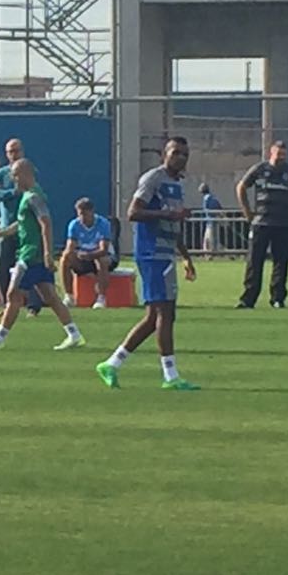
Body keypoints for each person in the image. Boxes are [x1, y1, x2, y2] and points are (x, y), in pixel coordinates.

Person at [96, 137, 200, 391]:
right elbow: (133, 212)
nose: (181, 158)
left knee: (156, 316)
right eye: (176, 153)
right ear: (164, 154)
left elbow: (174, 225)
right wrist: (167, 214)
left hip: (165, 254)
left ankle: (113, 363)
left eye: (185, 154)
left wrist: (185, 256)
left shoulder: (178, 184)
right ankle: (170, 375)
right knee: (165, 313)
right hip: (151, 253)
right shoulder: (153, 178)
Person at [0, 159, 84, 351]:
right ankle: (74, 334)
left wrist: (48, 253)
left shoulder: (33, 196)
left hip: (31, 254)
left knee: (13, 294)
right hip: (34, 254)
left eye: (15, 175)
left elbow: (45, 223)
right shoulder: (27, 196)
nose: (13, 179)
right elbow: (21, 225)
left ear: (25, 174)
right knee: (50, 296)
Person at [236, 140, 288, 309]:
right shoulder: (259, 170)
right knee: (254, 261)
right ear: (270, 154)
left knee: (281, 262)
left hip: (284, 224)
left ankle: (278, 298)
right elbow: (241, 187)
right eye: (278, 154)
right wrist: (247, 213)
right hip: (261, 223)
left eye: (284, 155)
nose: (281, 158)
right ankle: (248, 299)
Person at [0, 137, 42, 314]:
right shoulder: (2, 173)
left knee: (29, 267)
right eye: (10, 152)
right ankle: (6, 305)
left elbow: (34, 193)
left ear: (22, 151)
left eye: (16, 151)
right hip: (6, 226)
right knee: (2, 269)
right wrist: (11, 192)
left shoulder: (27, 170)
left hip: (25, 228)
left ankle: (33, 305)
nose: (13, 154)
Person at [60, 197, 114, 309]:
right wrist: (75, 254)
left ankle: (101, 298)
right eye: (80, 214)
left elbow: (104, 249)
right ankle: (69, 296)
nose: (82, 218)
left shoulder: (103, 224)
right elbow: (70, 247)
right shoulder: (74, 225)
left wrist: (89, 255)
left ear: (92, 212)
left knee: (102, 260)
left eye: (85, 214)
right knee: (65, 257)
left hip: (101, 256)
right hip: (83, 258)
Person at [199, 184, 223, 258]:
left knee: (210, 239)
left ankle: (210, 254)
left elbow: (212, 210)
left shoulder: (208, 198)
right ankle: (209, 253)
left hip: (211, 221)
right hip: (210, 221)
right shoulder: (212, 198)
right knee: (209, 238)